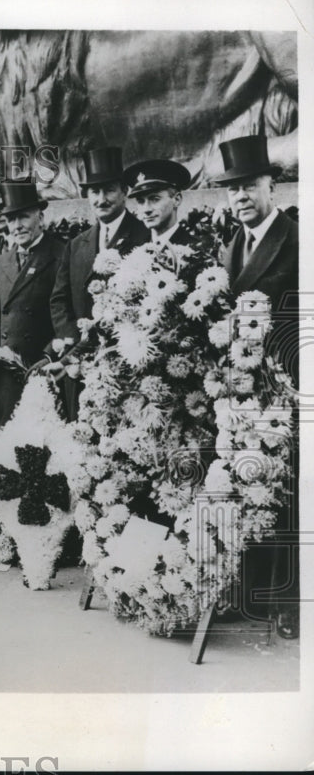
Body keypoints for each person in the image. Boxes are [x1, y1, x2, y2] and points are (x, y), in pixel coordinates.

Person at [214, 134, 299, 639]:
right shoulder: (233, 246)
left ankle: (286, 602)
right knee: (246, 485)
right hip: (242, 389)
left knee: (283, 493)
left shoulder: (296, 239)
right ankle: (247, 594)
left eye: (248, 185)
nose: (240, 196)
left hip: (284, 385)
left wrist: (284, 373)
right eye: (232, 189)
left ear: (271, 185)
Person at [40, 147, 150, 418]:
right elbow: (59, 299)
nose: (101, 199)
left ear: (124, 192)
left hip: (123, 363)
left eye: (109, 190)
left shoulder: (144, 237)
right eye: (94, 192)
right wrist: (76, 345)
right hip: (77, 364)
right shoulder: (77, 244)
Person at [0, 180, 65, 421]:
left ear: (40, 216)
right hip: (4, 371)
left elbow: (67, 317)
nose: (17, 226)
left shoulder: (60, 255)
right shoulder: (2, 261)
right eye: (11, 219)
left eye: (23, 217)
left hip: (42, 368)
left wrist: (48, 357)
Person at [122, 159, 195, 244]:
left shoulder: (196, 250)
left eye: (155, 199)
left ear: (176, 200)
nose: (146, 210)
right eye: (141, 201)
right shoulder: (132, 249)